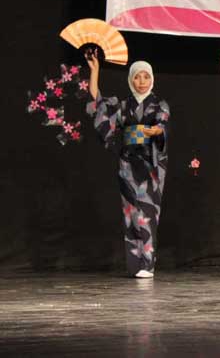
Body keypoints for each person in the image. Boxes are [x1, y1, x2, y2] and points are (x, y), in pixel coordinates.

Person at [86, 51, 169, 278]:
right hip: (128, 163)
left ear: (152, 79)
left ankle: (148, 263)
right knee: (131, 212)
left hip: (150, 164)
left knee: (148, 212)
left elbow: (162, 123)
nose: (141, 82)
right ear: (130, 80)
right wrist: (95, 72)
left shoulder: (159, 104)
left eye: (146, 77)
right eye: (137, 77)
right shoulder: (124, 106)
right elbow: (98, 104)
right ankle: (136, 264)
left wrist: (156, 130)